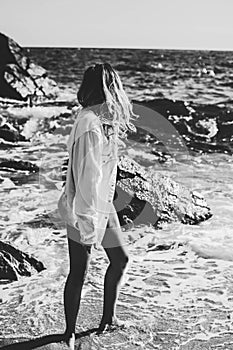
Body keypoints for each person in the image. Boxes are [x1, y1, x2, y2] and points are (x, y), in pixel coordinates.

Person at [57, 63, 138, 349]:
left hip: (101, 206)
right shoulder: (90, 124)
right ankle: (68, 333)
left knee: (120, 259)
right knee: (79, 270)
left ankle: (108, 318)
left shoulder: (99, 120)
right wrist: (87, 221)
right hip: (85, 210)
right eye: (115, 86)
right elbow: (88, 174)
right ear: (108, 89)